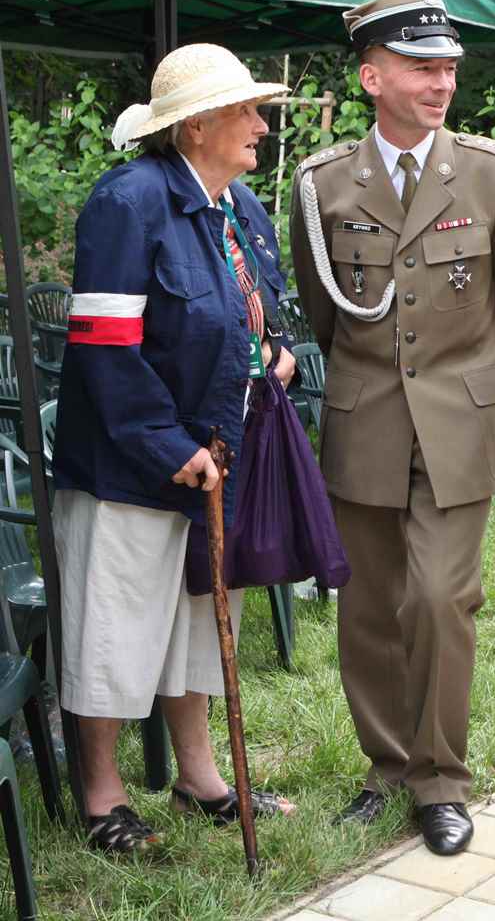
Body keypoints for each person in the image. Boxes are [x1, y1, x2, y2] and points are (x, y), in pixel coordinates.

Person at [290, 0, 495, 856]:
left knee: (439, 599)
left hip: (459, 426)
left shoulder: (493, 172)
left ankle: (441, 779)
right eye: (421, 64)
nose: (442, 80)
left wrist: (468, 391)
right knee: (367, 609)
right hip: (364, 420)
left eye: (449, 66)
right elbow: (325, 311)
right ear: (372, 76)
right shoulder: (321, 183)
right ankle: (387, 765)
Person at [53, 43, 298, 852]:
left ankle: (200, 777)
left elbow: (262, 302)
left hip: (214, 460)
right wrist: (167, 443)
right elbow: (104, 345)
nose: (261, 125)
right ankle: (100, 794)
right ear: (195, 128)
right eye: (245, 111)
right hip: (130, 465)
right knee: (113, 625)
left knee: (197, 620)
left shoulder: (240, 205)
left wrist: (279, 347)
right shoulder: (128, 203)